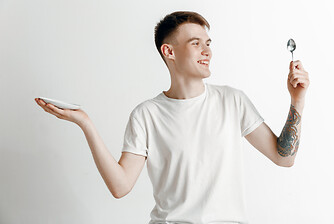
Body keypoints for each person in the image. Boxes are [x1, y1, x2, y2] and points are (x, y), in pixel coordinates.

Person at [35, 11, 310, 224]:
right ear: (169, 52)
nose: (207, 51)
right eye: (196, 43)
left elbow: (283, 157)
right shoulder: (146, 115)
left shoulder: (232, 100)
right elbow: (120, 186)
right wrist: (86, 123)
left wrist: (297, 100)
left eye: (208, 43)